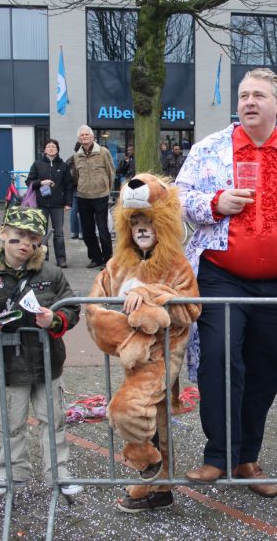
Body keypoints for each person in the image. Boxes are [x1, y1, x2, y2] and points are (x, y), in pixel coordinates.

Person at [176, 67, 277, 497]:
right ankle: (217, 456)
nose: (248, 102)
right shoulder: (210, 148)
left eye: (258, 95)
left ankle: (246, 457)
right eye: (243, 95)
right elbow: (177, 197)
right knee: (221, 356)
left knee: (264, 369)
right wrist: (214, 202)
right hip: (223, 277)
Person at [86, 173, 201, 512]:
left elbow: (191, 309)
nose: (141, 228)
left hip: (165, 354)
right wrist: (124, 332)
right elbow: (93, 307)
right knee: (157, 418)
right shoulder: (117, 265)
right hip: (132, 356)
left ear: (162, 224)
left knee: (127, 410)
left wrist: (152, 296)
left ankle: (147, 463)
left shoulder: (177, 264)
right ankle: (160, 488)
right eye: (135, 222)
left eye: (148, 221)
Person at [0, 207, 82, 498]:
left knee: (53, 421)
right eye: (18, 236)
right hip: (9, 364)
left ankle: (58, 475)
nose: (25, 243)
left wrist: (54, 319)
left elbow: (71, 307)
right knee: (10, 424)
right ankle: (11, 476)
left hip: (47, 360)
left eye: (32, 238)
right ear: (3, 234)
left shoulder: (51, 273)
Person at [26, 139, 73, 268]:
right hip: (41, 204)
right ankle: (42, 259)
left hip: (58, 204)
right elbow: (29, 182)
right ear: (45, 150)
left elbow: (69, 186)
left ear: (57, 150)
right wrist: (41, 182)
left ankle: (61, 259)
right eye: (49, 146)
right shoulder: (37, 164)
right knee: (41, 233)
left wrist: (68, 203)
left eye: (54, 147)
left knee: (59, 233)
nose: (51, 148)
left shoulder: (63, 166)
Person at [74, 125, 115, 268]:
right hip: (83, 196)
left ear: (92, 137)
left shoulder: (103, 152)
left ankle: (108, 259)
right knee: (87, 231)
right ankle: (96, 258)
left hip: (100, 196)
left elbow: (111, 172)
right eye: (82, 135)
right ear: (79, 139)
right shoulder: (77, 155)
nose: (84, 137)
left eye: (87, 134)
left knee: (103, 230)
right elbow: (76, 175)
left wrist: (107, 189)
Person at [67, 142, 82, 239]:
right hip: (83, 186)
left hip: (73, 186)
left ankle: (73, 232)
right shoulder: (83, 158)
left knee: (74, 209)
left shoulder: (70, 159)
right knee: (82, 209)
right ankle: (81, 232)